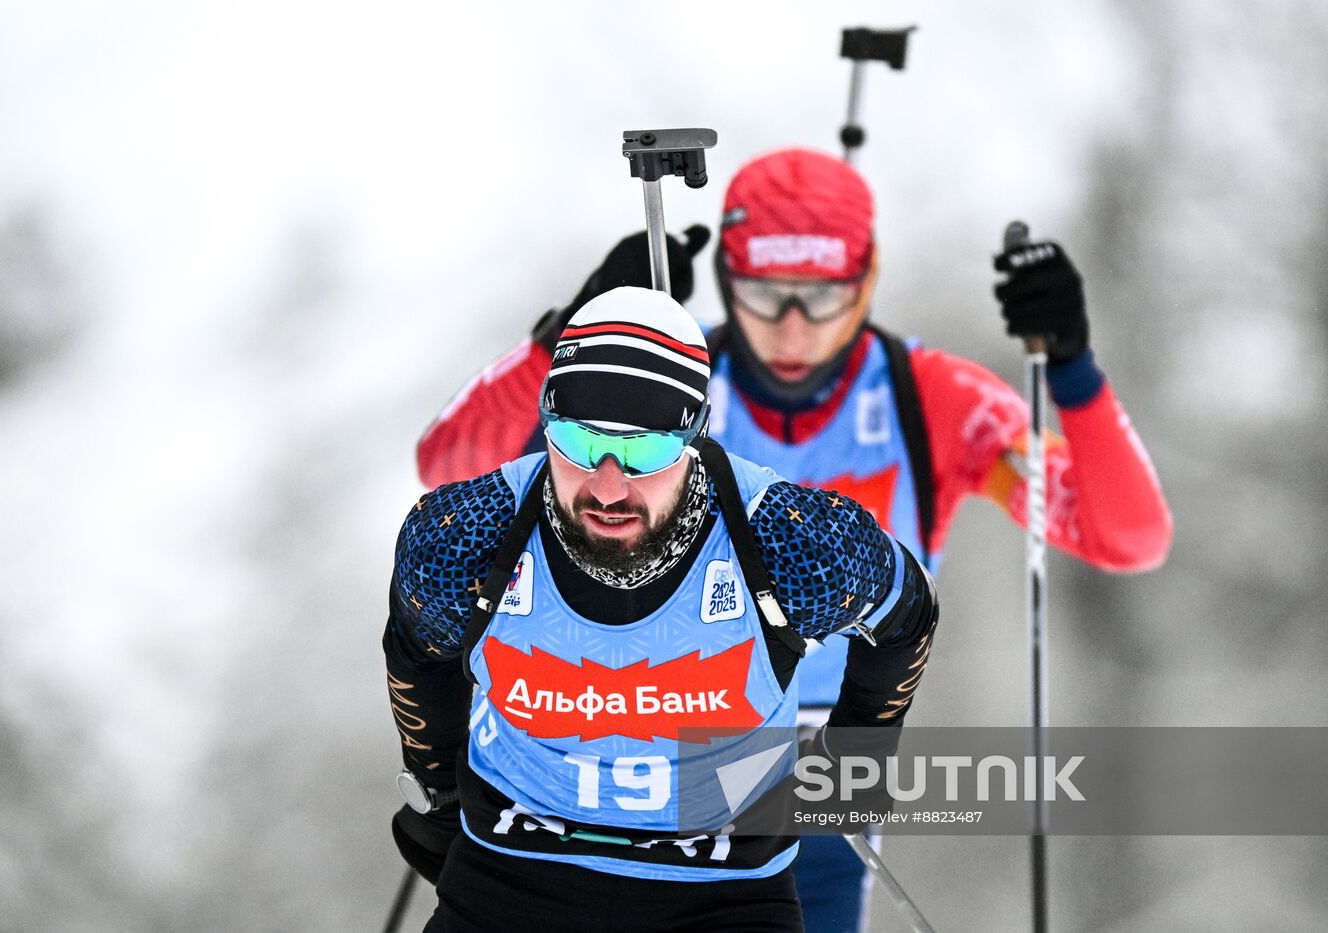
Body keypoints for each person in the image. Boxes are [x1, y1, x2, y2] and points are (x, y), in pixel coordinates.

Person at [413, 147, 1173, 932]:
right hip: (605, 753)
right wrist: (569, 335)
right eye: (765, 292)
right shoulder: (664, 388)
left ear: (867, 277)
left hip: (811, 778)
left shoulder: (932, 399)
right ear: (727, 277)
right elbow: (448, 467)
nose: (793, 327)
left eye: (822, 295)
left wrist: (1074, 369)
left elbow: (1128, 536)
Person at [383, 286, 940, 932]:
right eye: (579, 442)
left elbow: (908, 613)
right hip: (511, 876)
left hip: (722, 893)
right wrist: (439, 789)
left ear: (695, 435)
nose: (609, 485)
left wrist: (855, 758)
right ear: (547, 423)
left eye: (646, 451)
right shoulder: (465, 538)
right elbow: (416, 646)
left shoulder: (789, 543)